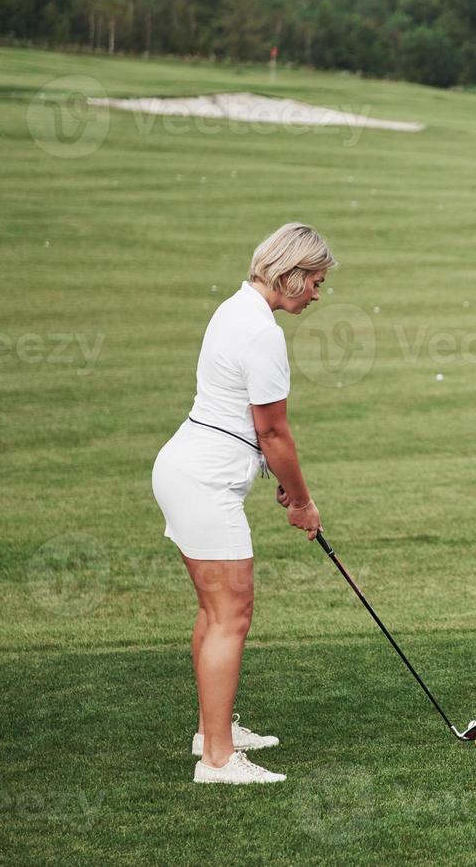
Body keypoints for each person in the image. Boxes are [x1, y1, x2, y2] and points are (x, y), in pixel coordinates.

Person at [152, 223, 334, 784]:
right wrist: (301, 501)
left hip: (188, 469)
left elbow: (256, 433)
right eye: (316, 282)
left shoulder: (236, 308)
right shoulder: (263, 335)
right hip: (205, 483)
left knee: (215, 612)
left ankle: (214, 732)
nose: (318, 294)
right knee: (232, 614)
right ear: (291, 275)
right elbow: (274, 432)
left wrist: (271, 471)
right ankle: (219, 760)